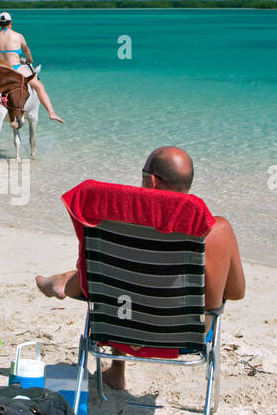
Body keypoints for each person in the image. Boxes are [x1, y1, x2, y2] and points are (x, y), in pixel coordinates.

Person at [35, 146, 245, 390]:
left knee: (121, 285)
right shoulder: (217, 231)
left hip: (118, 327)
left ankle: (114, 368)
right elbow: (237, 293)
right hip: (184, 339)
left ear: (151, 180)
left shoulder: (118, 223)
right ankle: (65, 282)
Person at [0, 11, 64, 123]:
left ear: (0, 24)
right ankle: (51, 113)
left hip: (0, 70)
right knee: (39, 87)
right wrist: (30, 60)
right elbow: (26, 50)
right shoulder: (18, 36)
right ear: (10, 22)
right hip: (15, 68)